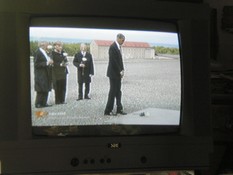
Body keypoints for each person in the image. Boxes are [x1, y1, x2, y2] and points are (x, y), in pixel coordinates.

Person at [104, 33, 127, 115]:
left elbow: (120, 60)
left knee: (118, 91)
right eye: (122, 40)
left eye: (124, 40)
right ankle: (107, 110)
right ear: (118, 38)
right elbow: (113, 61)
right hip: (113, 74)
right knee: (112, 92)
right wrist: (119, 70)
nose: (123, 42)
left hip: (118, 74)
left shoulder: (119, 47)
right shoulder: (112, 47)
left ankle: (119, 109)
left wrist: (122, 69)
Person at [34, 41, 53, 108]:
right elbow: (36, 64)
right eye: (47, 45)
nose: (48, 46)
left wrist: (50, 62)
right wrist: (47, 63)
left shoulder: (45, 52)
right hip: (40, 74)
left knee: (46, 88)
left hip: (47, 73)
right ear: (42, 45)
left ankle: (44, 103)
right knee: (40, 89)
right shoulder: (38, 52)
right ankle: (38, 103)